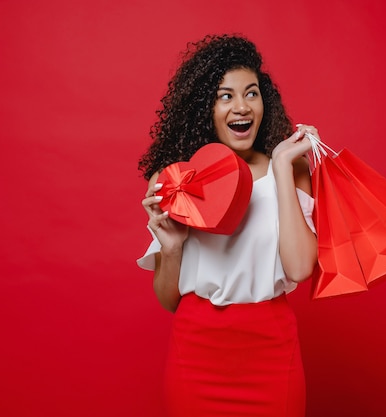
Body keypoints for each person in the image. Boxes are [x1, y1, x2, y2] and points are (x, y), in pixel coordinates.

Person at [137, 34, 319, 417]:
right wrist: (171, 248)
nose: (242, 107)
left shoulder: (290, 167)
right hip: (196, 356)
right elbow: (169, 301)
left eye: (251, 93)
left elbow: (300, 268)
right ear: (204, 107)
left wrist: (282, 169)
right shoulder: (177, 179)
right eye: (225, 96)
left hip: (271, 352)